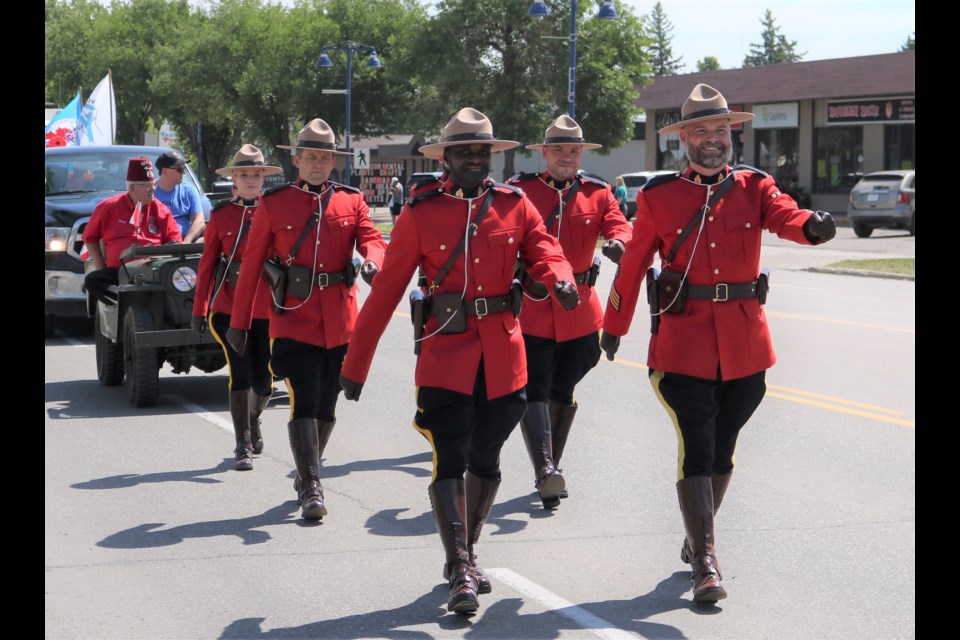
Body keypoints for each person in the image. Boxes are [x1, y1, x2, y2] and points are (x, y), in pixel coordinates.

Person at [599, 83, 837, 603]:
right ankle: (705, 561)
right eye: (701, 130)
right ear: (682, 139)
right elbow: (634, 264)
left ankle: (695, 536)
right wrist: (613, 326)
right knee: (698, 447)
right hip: (683, 347)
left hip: (745, 347)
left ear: (732, 134)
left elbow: (786, 216)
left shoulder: (755, 187)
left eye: (720, 129)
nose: (712, 139)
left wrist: (813, 227)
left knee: (723, 449)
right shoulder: (659, 196)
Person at [339, 107, 580, 615]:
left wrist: (561, 278)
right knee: (450, 456)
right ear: (446, 158)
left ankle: (465, 550)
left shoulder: (515, 205)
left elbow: (546, 251)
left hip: (503, 355)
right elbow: (385, 293)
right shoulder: (421, 213)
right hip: (446, 353)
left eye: (482, 151)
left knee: (487, 458)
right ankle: (461, 565)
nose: (475, 159)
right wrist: (355, 366)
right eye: (465, 151)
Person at [225, 119, 386, 520]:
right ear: (296, 159)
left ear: (333, 162)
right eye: (311, 156)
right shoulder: (275, 203)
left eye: (325, 157)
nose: (318, 163)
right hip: (293, 318)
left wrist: (372, 261)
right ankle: (313, 485)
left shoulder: (351, 200)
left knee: (329, 402)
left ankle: (307, 470)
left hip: (340, 317)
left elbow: (373, 240)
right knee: (304, 396)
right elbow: (250, 267)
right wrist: (239, 323)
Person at [507, 115, 632, 509]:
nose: (566, 156)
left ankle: (551, 465)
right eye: (558, 149)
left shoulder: (598, 192)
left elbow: (621, 226)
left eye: (573, 150)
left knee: (563, 388)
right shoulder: (521, 191)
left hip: (580, 311)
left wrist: (618, 241)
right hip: (535, 307)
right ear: (544, 153)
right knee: (538, 387)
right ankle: (546, 469)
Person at [191, 145, 282, 471]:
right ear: (235, 179)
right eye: (244, 175)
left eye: (257, 175)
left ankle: (254, 419)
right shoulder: (221, 215)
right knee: (240, 373)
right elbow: (207, 266)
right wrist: (200, 309)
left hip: (268, 308)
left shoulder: (276, 212)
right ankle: (242, 443)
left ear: (263, 179)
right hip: (230, 307)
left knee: (265, 381)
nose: (251, 180)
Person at [83, 157, 182, 306]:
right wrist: (100, 266)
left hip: (153, 271)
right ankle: (124, 303)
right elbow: (90, 237)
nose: (153, 189)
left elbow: (175, 241)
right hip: (118, 271)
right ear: (132, 188)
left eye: (153, 184)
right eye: (147, 185)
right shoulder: (109, 207)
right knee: (92, 281)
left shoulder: (161, 210)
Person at [155, 150, 206, 243]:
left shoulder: (189, 190)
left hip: (187, 241)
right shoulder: (149, 192)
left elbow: (199, 220)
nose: (183, 173)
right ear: (165, 171)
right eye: (179, 169)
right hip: (160, 244)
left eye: (184, 169)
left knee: (208, 239)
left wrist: (186, 243)